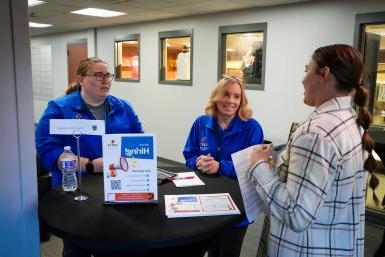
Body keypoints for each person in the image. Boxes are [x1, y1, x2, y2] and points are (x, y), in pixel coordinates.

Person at [248, 44, 377, 257]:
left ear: (324, 74)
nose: (302, 79)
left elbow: (296, 214)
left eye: (307, 69)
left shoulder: (315, 133)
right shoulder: (351, 121)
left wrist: (259, 167)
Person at [35, 57, 143, 257]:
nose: (106, 80)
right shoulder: (59, 109)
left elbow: (138, 143)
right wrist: (91, 165)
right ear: (81, 79)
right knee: (77, 247)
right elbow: (47, 149)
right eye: (98, 75)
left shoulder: (123, 108)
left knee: (114, 242)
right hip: (74, 189)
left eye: (108, 75)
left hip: (116, 185)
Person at [183, 75, 264, 257]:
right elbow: (188, 154)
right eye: (226, 94)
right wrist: (197, 162)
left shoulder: (252, 128)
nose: (231, 101)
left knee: (229, 251)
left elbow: (252, 167)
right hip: (207, 200)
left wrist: (220, 167)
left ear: (241, 100)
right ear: (217, 96)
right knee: (212, 251)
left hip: (237, 203)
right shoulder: (201, 123)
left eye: (236, 96)